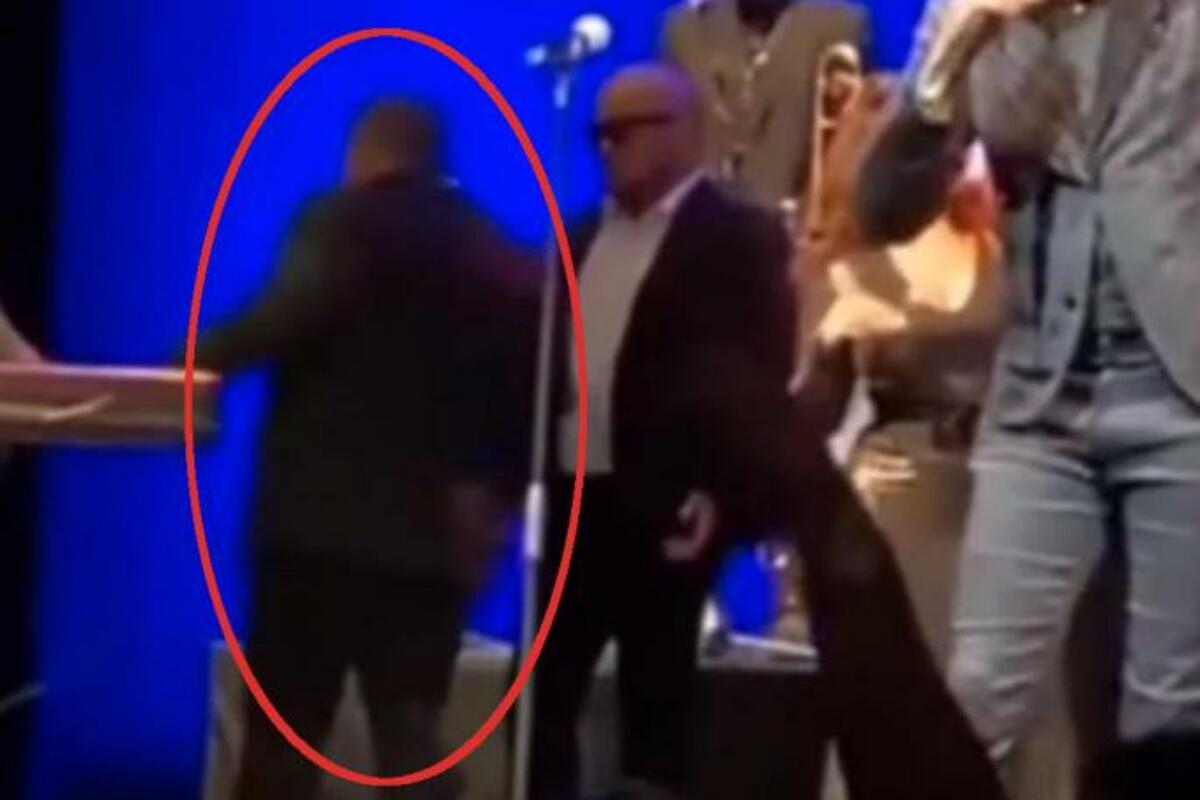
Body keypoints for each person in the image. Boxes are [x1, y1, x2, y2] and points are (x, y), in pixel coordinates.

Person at [858, 0, 1200, 795]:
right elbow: (881, 212)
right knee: (978, 693)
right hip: (1041, 401)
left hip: (1182, 394)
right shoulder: (971, 20)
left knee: (1169, 717)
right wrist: (941, 77)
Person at [195, 101, 533, 800]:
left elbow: (287, 314)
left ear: (364, 154)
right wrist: (496, 500)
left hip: (314, 537)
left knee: (283, 744)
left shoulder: (338, 221)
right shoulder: (497, 254)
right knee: (411, 742)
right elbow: (531, 390)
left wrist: (191, 364)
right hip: (428, 549)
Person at [527, 62, 797, 800]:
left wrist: (722, 490)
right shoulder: (580, 235)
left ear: (683, 131)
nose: (607, 148)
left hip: (667, 508)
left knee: (655, 706)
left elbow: (757, 372)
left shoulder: (738, 235)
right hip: (572, 496)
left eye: (625, 131)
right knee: (542, 695)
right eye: (599, 134)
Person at [662, 0, 870, 212]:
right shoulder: (686, 29)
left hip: (791, 219)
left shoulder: (839, 28)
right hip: (700, 217)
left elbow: (846, 142)